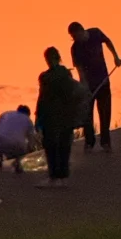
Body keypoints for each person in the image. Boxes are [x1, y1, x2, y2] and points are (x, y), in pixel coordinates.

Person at [68, 21, 121, 152]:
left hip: (103, 80)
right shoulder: (75, 48)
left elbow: (108, 41)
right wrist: (84, 86)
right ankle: (89, 142)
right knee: (87, 115)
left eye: (75, 36)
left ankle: (105, 142)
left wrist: (116, 57)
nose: (74, 39)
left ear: (81, 31)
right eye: (72, 37)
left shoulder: (96, 33)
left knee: (105, 112)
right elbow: (79, 69)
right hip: (88, 85)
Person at [36, 47, 78, 187]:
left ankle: (54, 177)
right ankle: (63, 177)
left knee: (51, 146)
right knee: (64, 146)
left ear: (47, 59)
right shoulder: (66, 74)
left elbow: (42, 99)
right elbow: (73, 94)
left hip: (51, 115)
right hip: (66, 115)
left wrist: (38, 118)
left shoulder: (45, 77)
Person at [0, 104, 37, 172]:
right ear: (28, 114)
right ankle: (17, 162)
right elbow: (32, 140)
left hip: (0, 144)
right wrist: (31, 150)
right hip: (17, 146)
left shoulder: (5, 114)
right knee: (18, 147)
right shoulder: (28, 120)